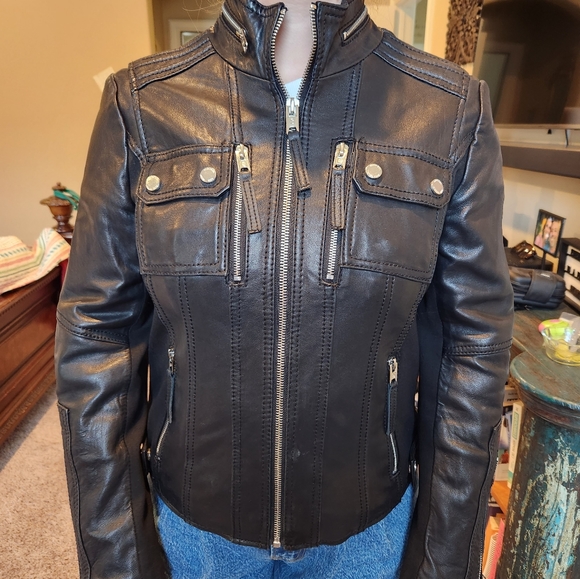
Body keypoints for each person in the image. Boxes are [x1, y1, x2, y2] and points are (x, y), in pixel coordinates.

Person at [54, 0, 514, 577]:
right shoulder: (143, 105)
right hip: (196, 535)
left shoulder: (447, 109)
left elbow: (472, 347)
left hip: (367, 536)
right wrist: (119, 559)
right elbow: (97, 341)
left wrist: (442, 559)